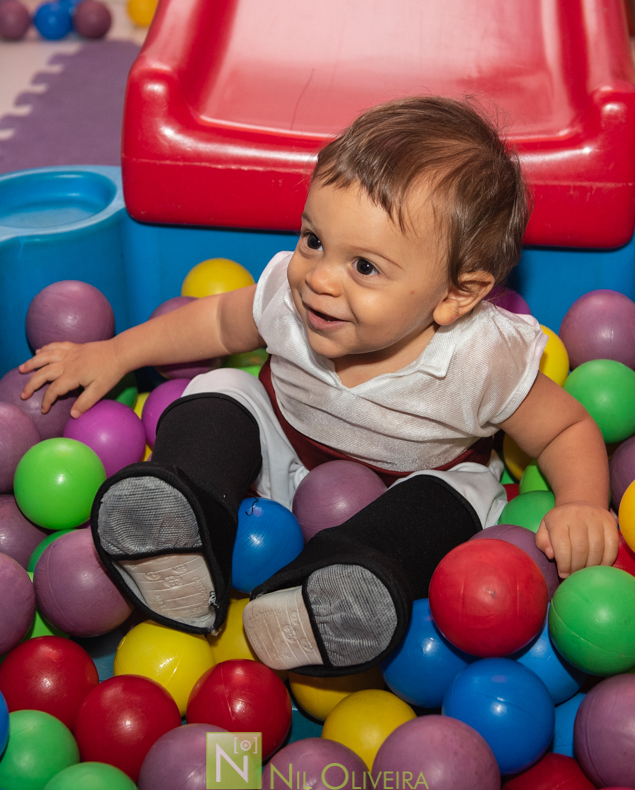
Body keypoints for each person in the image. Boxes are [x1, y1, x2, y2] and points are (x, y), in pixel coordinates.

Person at [19, 97, 618, 677]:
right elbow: (215, 322)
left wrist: (582, 505)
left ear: (455, 296)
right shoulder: (292, 297)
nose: (320, 279)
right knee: (221, 389)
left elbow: (566, 427)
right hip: (277, 453)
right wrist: (117, 352)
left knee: (452, 503)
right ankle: (187, 515)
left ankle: (333, 590)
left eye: (364, 267)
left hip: (411, 482)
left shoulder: (482, 355)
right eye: (313, 240)